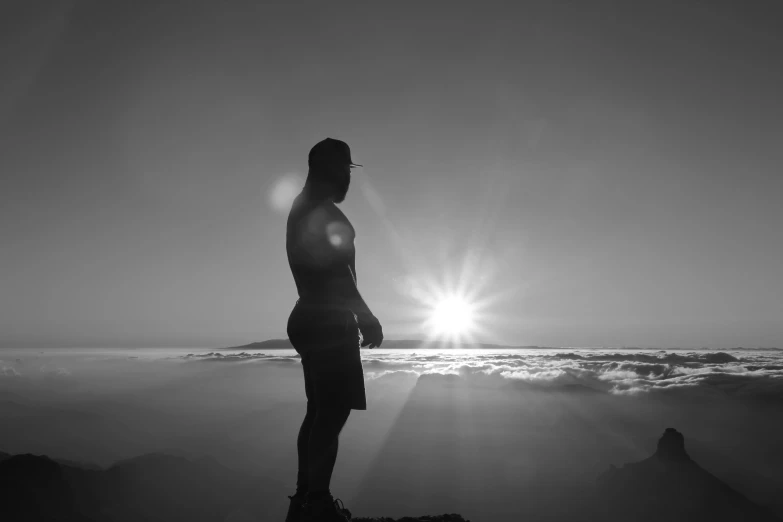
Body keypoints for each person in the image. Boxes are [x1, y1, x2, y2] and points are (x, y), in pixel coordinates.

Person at [285, 138, 383, 522]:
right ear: (328, 169)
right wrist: (366, 316)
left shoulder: (302, 207)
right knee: (332, 413)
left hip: (307, 316)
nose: (348, 179)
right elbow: (339, 272)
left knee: (318, 412)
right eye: (345, 170)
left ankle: (305, 498)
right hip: (327, 321)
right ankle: (318, 503)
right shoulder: (320, 212)